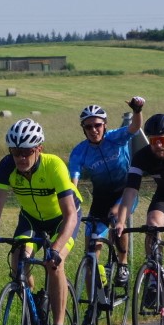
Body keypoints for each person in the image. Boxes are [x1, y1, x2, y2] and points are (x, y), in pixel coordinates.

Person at [0, 118, 81, 325]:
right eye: (16, 152)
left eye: (26, 152)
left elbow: (70, 216)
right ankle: (35, 306)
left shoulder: (53, 165)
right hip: (31, 219)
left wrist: (55, 249)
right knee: (18, 263)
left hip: (62, 219)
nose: (21, 158)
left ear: (39, 149)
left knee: (54, 264)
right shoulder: (7, 166)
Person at [68, 97, 145, 286]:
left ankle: (123, 263)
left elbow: (135, 127)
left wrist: (137, 111)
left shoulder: (115, 137)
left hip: (125, 192)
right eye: (88, 127)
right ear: (83, 129)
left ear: (105, 125)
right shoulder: (79, 151)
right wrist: (70, 204)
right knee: (90, 252)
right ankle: (93, 299)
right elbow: (73, 183)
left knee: (116, 215)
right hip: (101, 199)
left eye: (97, 125)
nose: (93, 130)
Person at [112, 113, 164, 288]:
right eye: (153, 141)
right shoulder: (142, 156)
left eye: (162, 140)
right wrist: (121, 221)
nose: (158, 145)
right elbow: (130, 191)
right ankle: (155, 277)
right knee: (152, 225)